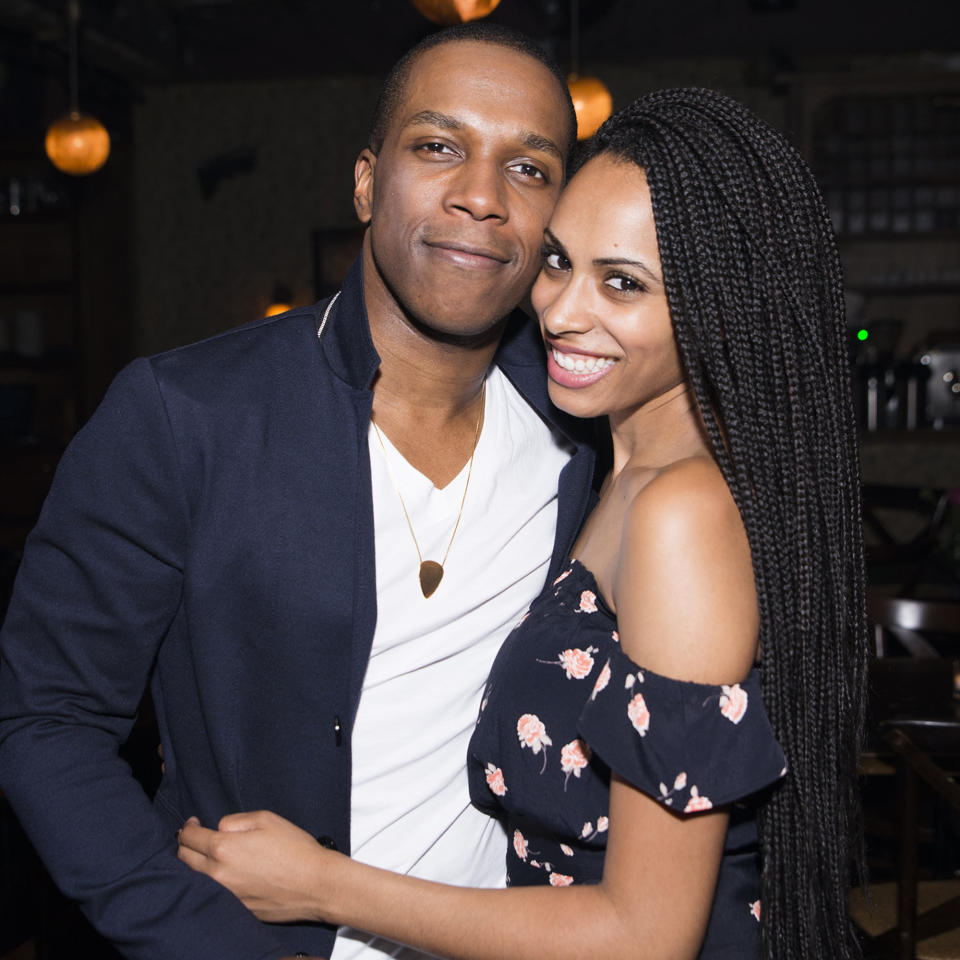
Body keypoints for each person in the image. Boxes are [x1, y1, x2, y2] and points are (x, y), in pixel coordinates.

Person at [178, 88, 869, 959]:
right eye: (556, 262)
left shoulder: (681, 515)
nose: (561, 311)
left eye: (622, 283)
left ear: (720, 306)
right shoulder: (611, 471)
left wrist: (322, 885)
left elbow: (646, 933)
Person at [0, 24, 599, 960]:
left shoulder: (583, 432)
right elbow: (48, 721)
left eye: (529, 168)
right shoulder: (185, 415)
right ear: (365, 182)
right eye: (438, 146)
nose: (481, 195)